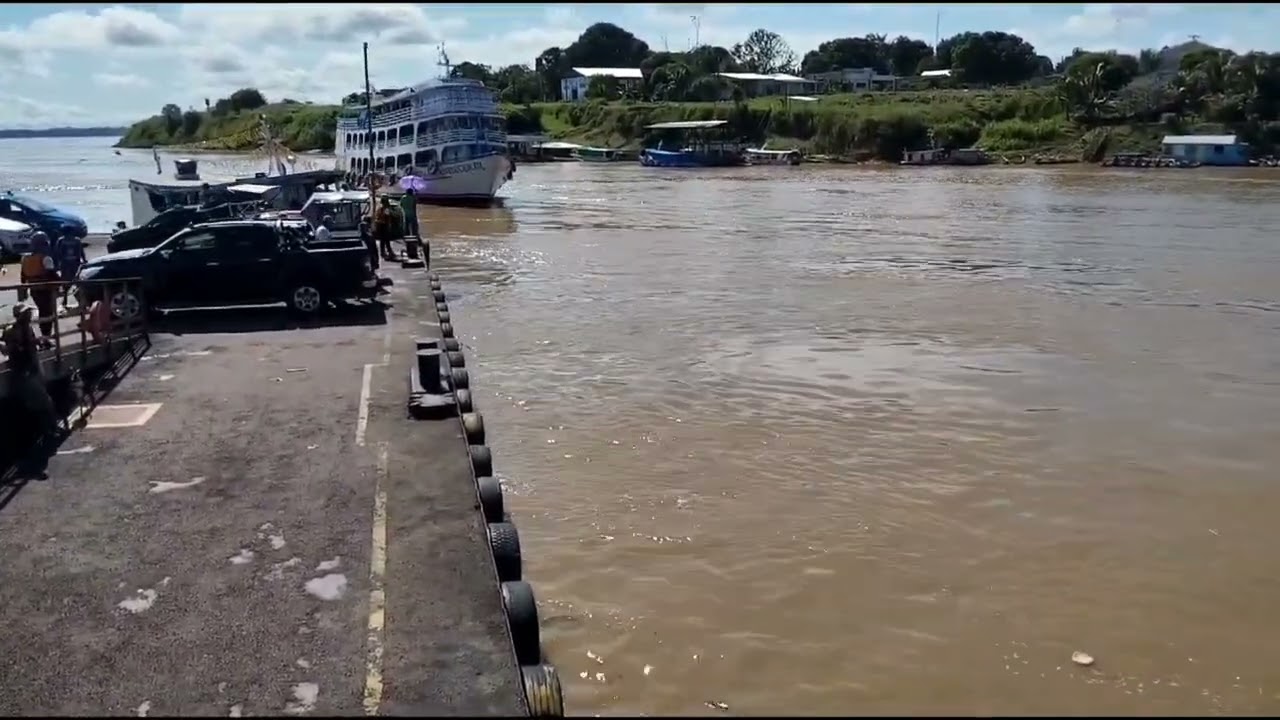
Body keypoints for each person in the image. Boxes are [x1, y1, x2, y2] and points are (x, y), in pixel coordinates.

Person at [0, 302, 59, 438]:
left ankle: (48, 429)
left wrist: (39, 342)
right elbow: (12, 350)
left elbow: (30, 345)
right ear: (19, 315)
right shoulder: (12, 331)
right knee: (44, 402)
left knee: (40, 401)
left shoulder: (28, 328)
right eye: (26, 313)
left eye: (29, 312)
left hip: (33, 367)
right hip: (23, 371)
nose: (29, 315)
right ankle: (50, 429)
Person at [20, 231, 59, 342]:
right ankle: (46, 337)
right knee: (48, 314)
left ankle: (44, 337)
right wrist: (61, 283)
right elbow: (51, 274)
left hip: (34, 290)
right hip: (46, 290)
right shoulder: (46, 258)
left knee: (43, 312)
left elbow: (23, 276)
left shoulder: (25, 259)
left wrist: (23, 289)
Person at [54, 231, 86, 307]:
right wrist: (84, 260)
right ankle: (80, 301)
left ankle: (66, 300)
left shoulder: (61, 240)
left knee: (67, 283)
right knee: (76, 282)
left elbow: (57, 252)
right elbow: (81, 251)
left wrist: (57, 264)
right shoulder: (76, 240)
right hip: (74, 264)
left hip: (66, 264)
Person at [373, 196, 396, 260]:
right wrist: (389, 226)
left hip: (379, 225)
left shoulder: (379, 208)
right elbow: (387, 217)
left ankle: (383, 252)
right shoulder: (386, 209)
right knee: (386, 239)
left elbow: (377, 216)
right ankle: (389, 251)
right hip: (384, 225)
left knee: (382, 240)